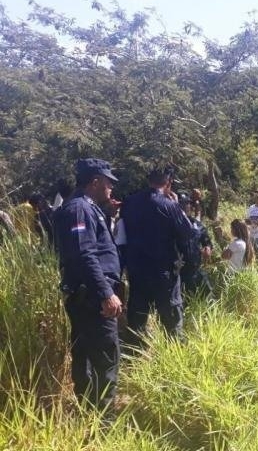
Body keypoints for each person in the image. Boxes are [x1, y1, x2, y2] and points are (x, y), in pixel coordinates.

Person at [53, 158, 123, 413]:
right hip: (93, 299)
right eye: (108, 183)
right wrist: (106, 293)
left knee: (86, 357)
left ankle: (89, 413)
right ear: (95, 182)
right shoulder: (80, 209)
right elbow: (85, 254)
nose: (111, 188)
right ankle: (104, 422)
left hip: (87, 296)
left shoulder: (86, 207)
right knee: (105, 360)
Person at [119, 167, 193, 346]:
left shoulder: (129, 202)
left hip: (137, 270)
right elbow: (186, 233)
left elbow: (121, 235)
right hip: (164, 271)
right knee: (171, 316)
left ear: (148, 180)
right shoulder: (169, 205)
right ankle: (176, 354)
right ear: (169, 183)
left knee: (138, 315)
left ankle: (135, 354)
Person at [178, 192, 213, 297]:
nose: (184, 206)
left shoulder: (197, 225)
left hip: (195, 270)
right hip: (177, 274)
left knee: (209, 298)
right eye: (181, 204)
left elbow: (207, 241)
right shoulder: (169, 225)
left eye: (187, 203)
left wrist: (207, 247)